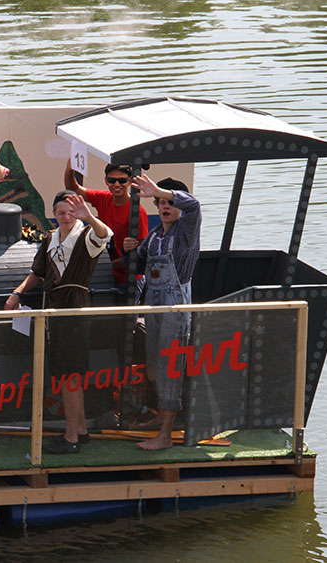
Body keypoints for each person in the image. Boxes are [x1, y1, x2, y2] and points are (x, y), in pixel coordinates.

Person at [4, 191, 112, 454]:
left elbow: (104, 235)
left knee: (71, 375)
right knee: (66, 373)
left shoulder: (86, 236)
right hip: (54, 308)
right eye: (61, 212)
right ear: (54, 214)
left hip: (75, 307)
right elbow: (38, 272)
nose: (66, 217)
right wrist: (17, 293)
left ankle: (71, 436)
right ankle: (82, 429)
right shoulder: (50, 238)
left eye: (71, 212)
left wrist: (89, 218)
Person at [131, 175, 201, 450]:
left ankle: (166, 436)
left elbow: (194, 205)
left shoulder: (186, 232)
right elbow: (140, 260)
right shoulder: (155, 235)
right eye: (159, 203)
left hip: (174, 307)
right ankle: (160, 416)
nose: (164, 206)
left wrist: (159, 190)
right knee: (152, 366)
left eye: (169, 202)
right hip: (152, 304)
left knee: (170, 368)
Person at [64, 161, 149, 286]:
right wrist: (70, 168)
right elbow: (73, 189)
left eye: (122, 180)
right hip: (105, 275)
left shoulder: (138, 212)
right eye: (112, 180)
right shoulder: (104, 198)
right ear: (106, 180)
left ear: (130, 181)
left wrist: (103, 266)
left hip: (128, 280)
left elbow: (141, 251)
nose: (117, 184)